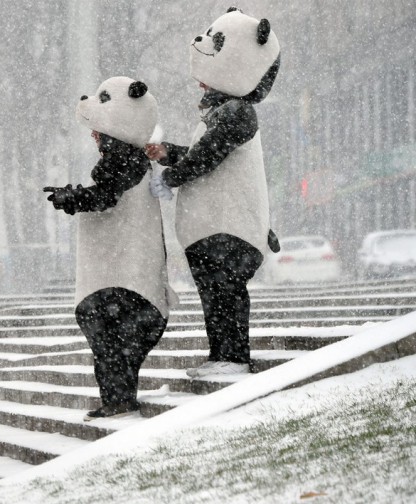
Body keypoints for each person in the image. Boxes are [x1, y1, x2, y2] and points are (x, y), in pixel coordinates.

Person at [146, 8, 281, 378]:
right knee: (215, 294)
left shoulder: (236, 111)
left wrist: (172, 176)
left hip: (230, 227)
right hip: (214, 227)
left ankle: (234, 357)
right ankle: (222, 354)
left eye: (219, 43)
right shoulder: (222, 113)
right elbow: (202, 153)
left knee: (225, 292)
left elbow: (207, 157)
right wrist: (168, 153)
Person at [44, 76, 175, 420]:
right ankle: (119, 399)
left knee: (108, 337)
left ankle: (118, 400)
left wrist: (72, 198)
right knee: (114, 341)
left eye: (99, 130)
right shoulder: (133, 159)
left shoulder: (123, 158)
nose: (93, 134)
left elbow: (106, 196)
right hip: (129, 277)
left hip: (121, 277)